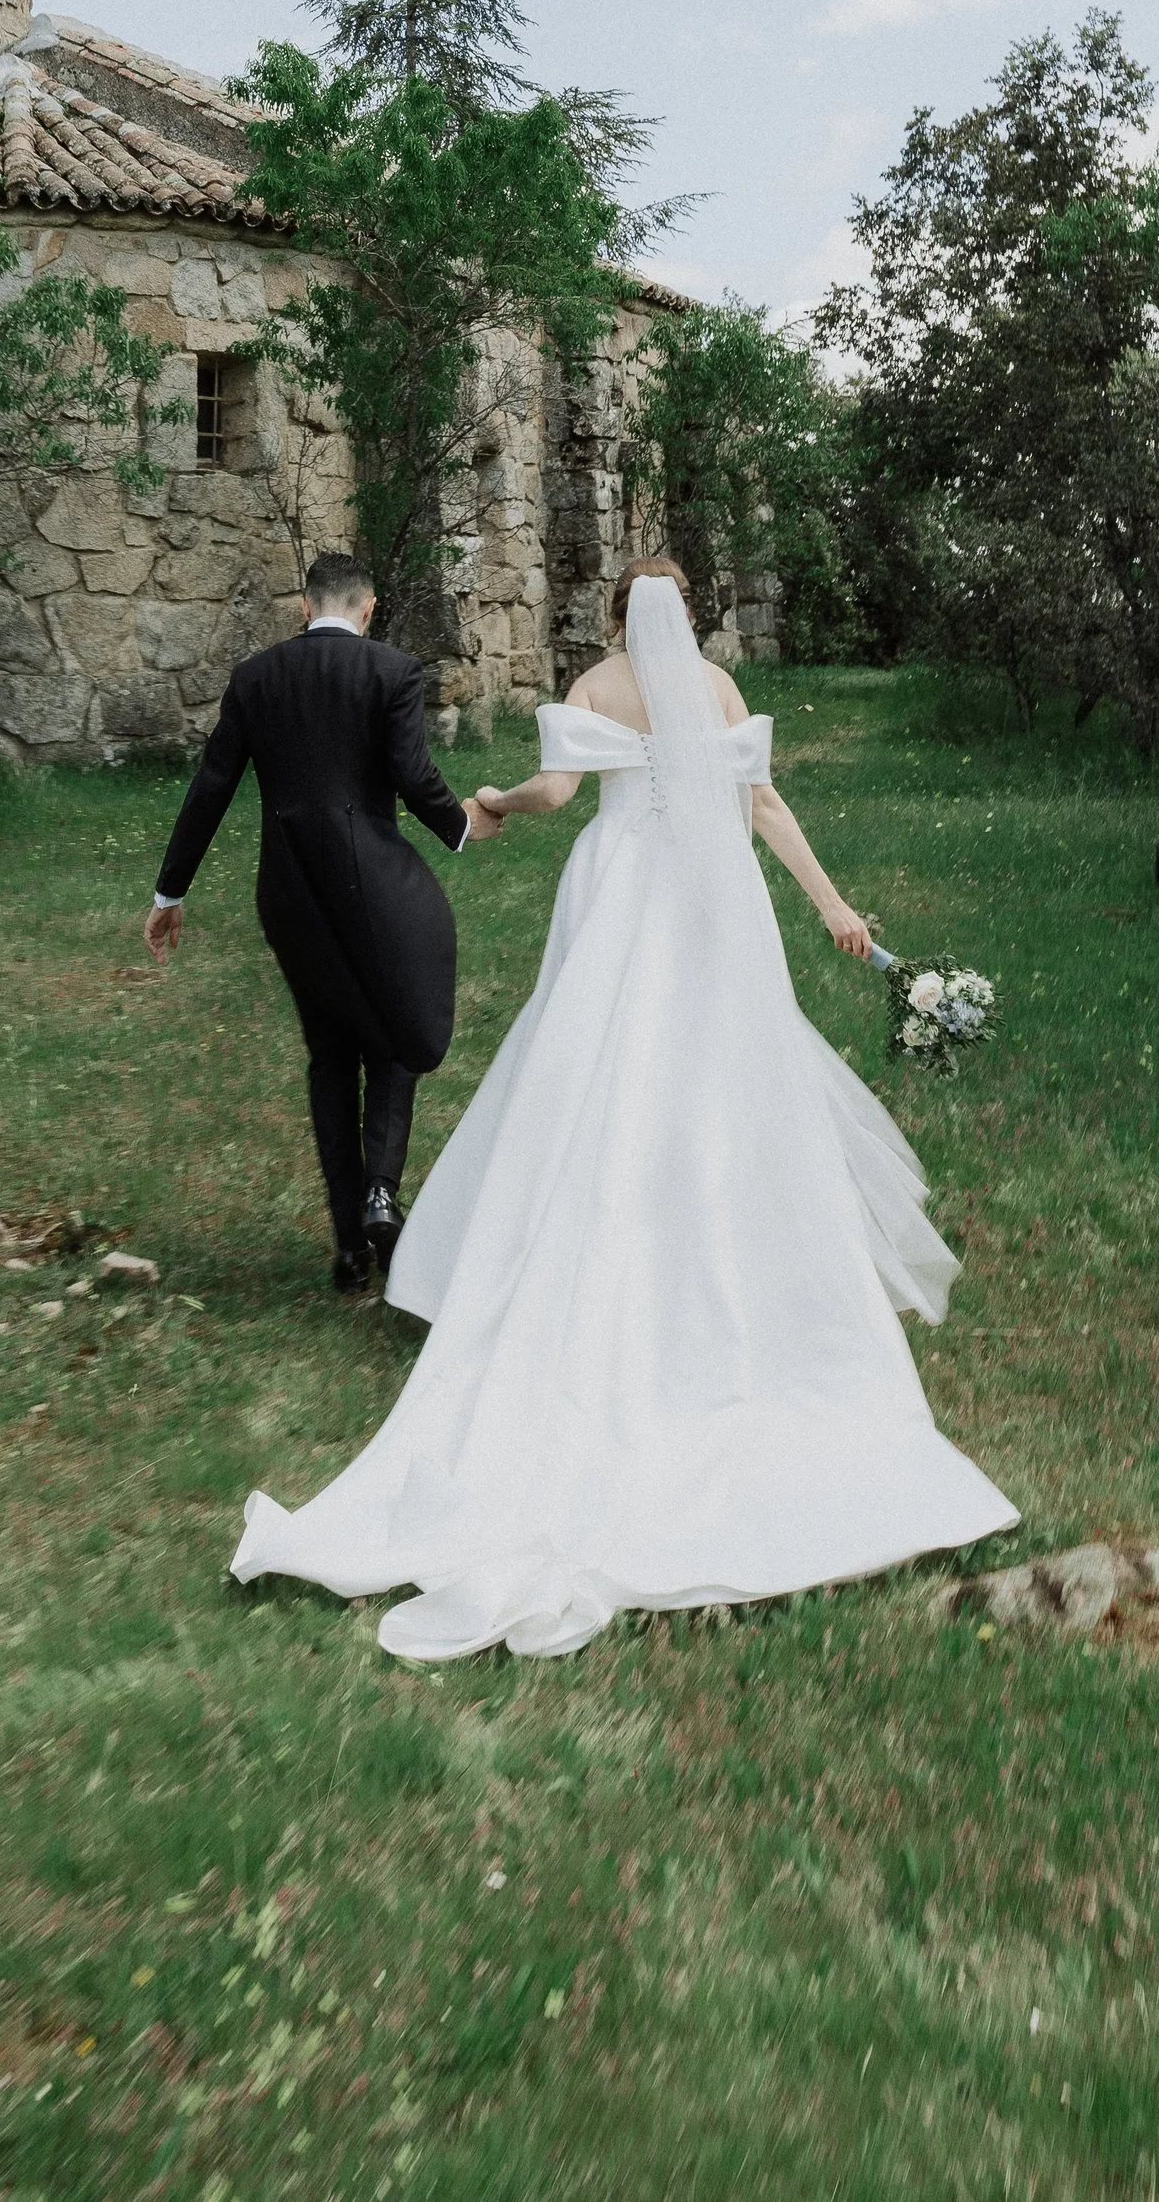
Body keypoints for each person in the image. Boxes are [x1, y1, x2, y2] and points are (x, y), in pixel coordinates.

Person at [228, 558, 1017, 1656]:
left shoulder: (596, 688)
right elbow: (762, 802)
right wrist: (832, 904)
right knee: (719, 1069)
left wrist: (492, 802)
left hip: (620, 889)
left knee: (593, 1062)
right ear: (683, 614)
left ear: (612, 614)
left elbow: (555, 793)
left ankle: (559, 1244)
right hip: (712, 899)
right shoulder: (719, 693)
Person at [146, 550, 500, 1293]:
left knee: (330, 1053)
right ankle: (380, 1192)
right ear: (368, 608)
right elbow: (412, 774)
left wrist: (169, 892)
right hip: (374, 884)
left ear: (305, 608)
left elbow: (212, 785)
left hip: (289, 893)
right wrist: (461, 827)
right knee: (401, 1034)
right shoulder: (393, 672)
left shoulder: (255, 679)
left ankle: (347, 1248)